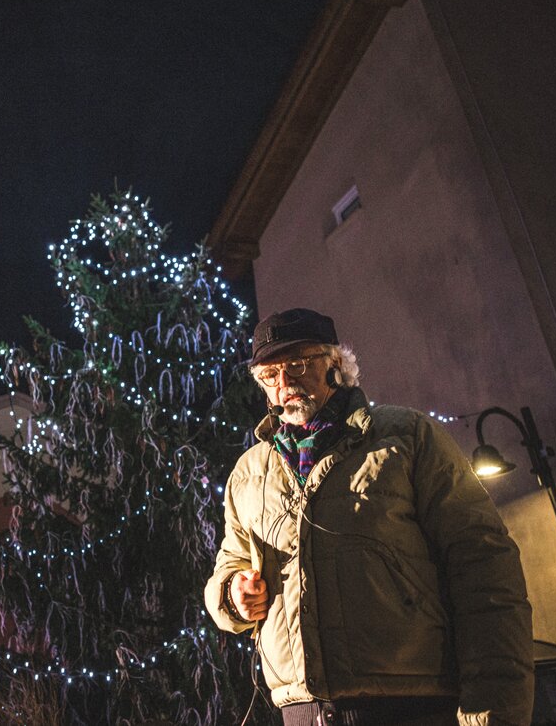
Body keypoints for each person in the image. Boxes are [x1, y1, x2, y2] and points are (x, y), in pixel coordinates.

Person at [205, 308, 534, 726]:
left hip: (412, 707)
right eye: (269, 376)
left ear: (336, 365)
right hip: (301, 713)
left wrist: (493, 713)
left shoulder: (408, 436)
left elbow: (485, 569)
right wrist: (233, 595)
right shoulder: (249, 472)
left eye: (298, 366)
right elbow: (228, 566)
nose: (284, 384)